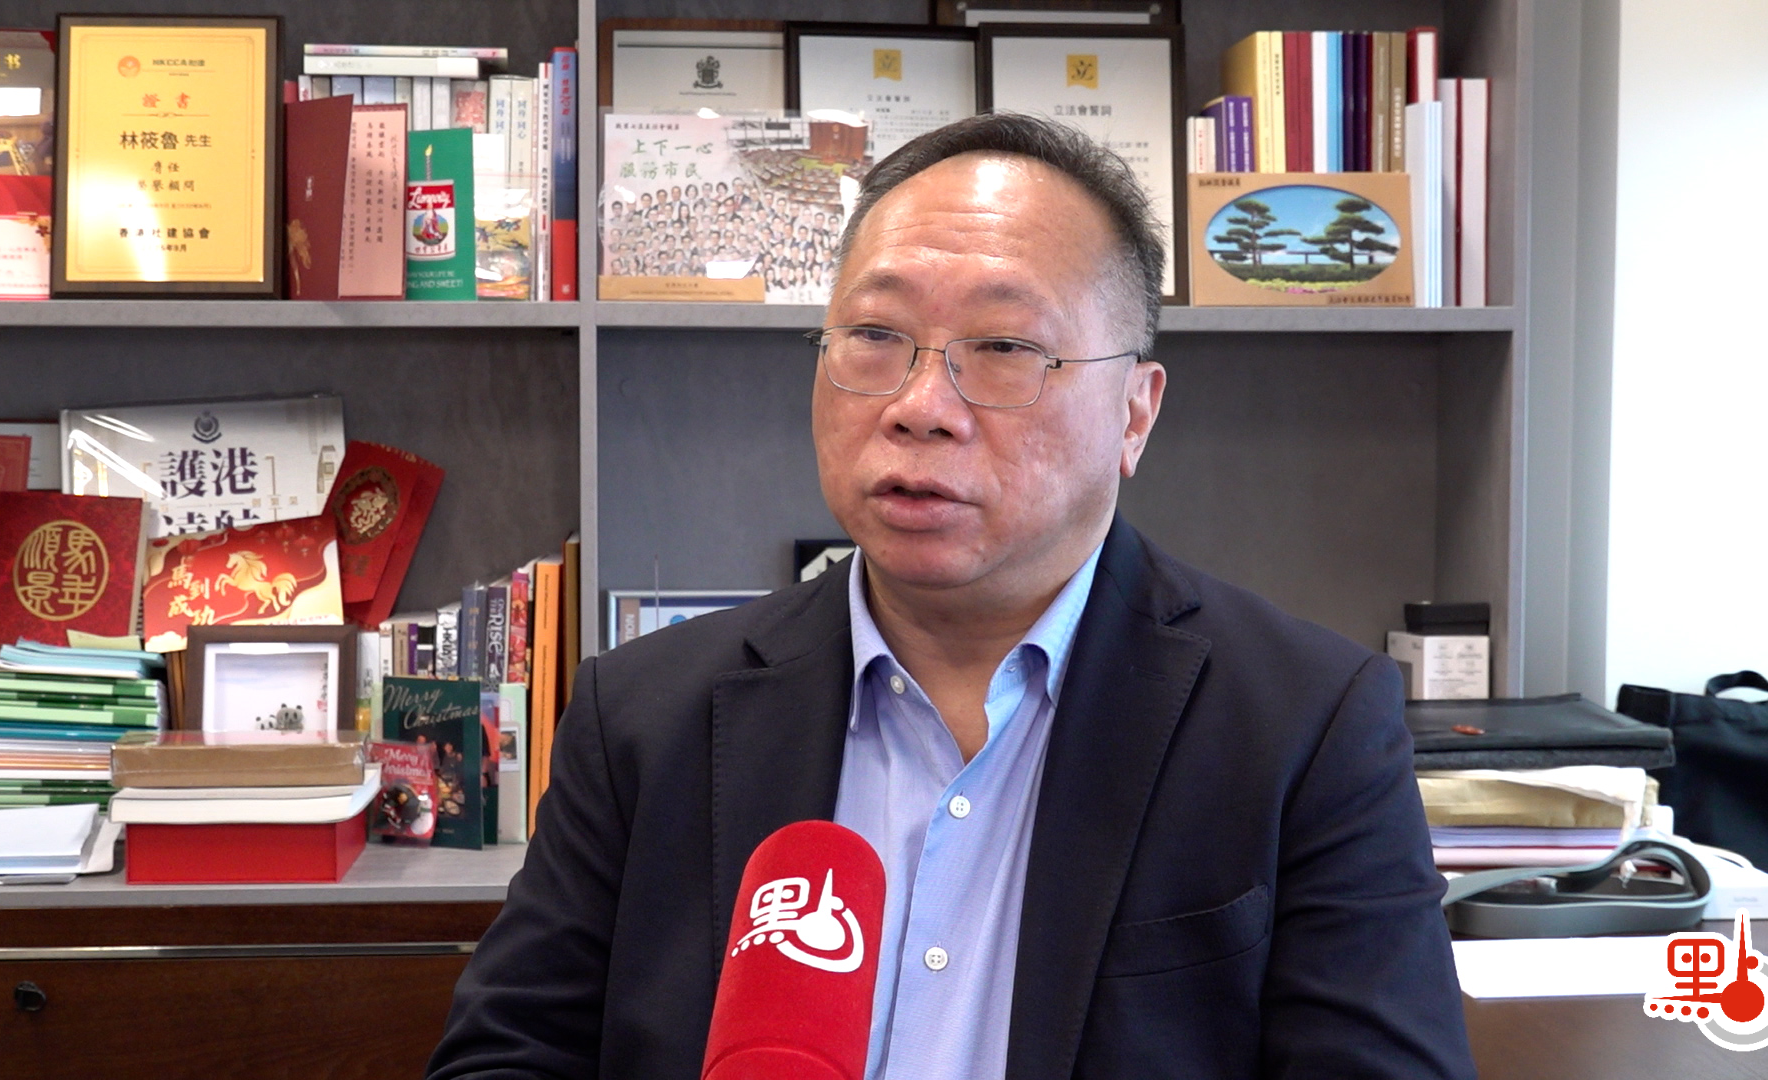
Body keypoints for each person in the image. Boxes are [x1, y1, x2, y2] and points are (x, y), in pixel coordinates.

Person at [427, 113, 1474, 1080]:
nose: (920, 406)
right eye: (875, 336)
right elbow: (505, 1060)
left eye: (1005, 348)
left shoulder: (1306, 725)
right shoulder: (641, 717)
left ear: (1134, 413)